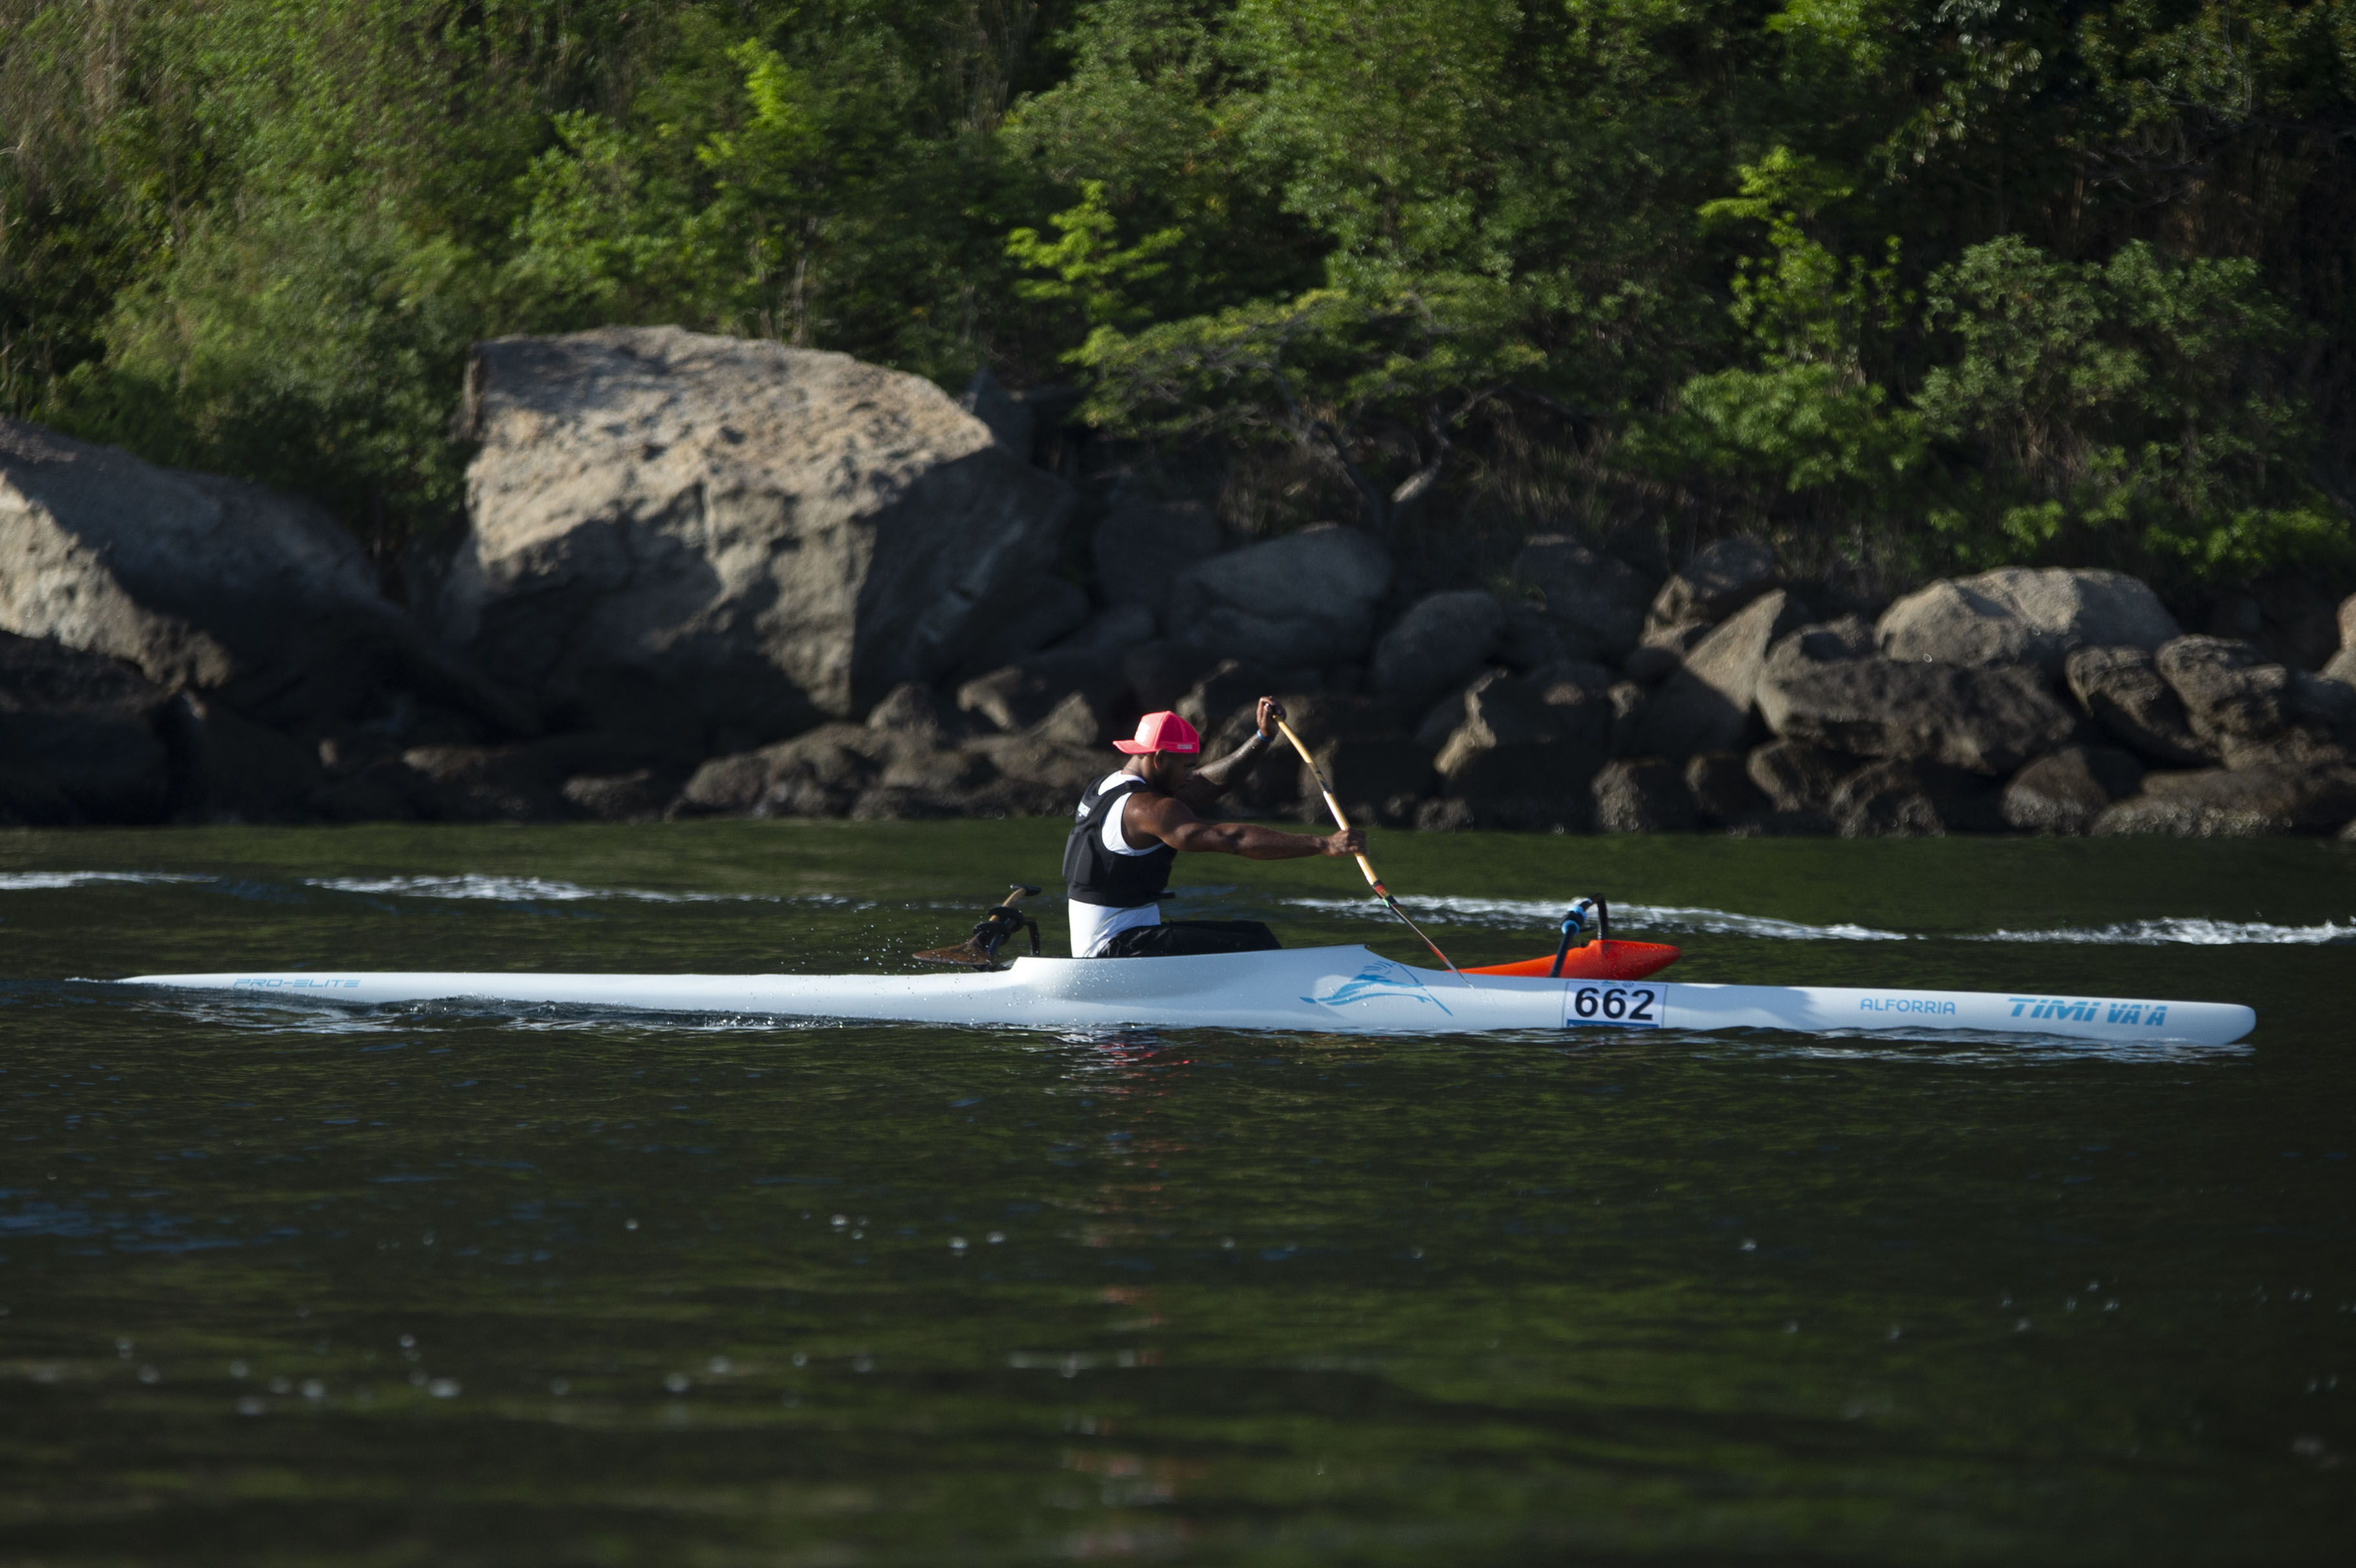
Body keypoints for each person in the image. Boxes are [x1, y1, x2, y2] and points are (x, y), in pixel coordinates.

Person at [1062, 697, 1366, 958]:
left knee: (1257, 936)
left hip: (1124, 939)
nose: (1191, 775)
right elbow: (1231, 838)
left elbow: (1205, 785)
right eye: (1187, 766)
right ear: (1160, 758)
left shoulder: (1105, 787)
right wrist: (1325, 845)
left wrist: (1262, 738)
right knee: (1251, 949)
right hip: (1114, 952)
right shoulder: (1149, 809)